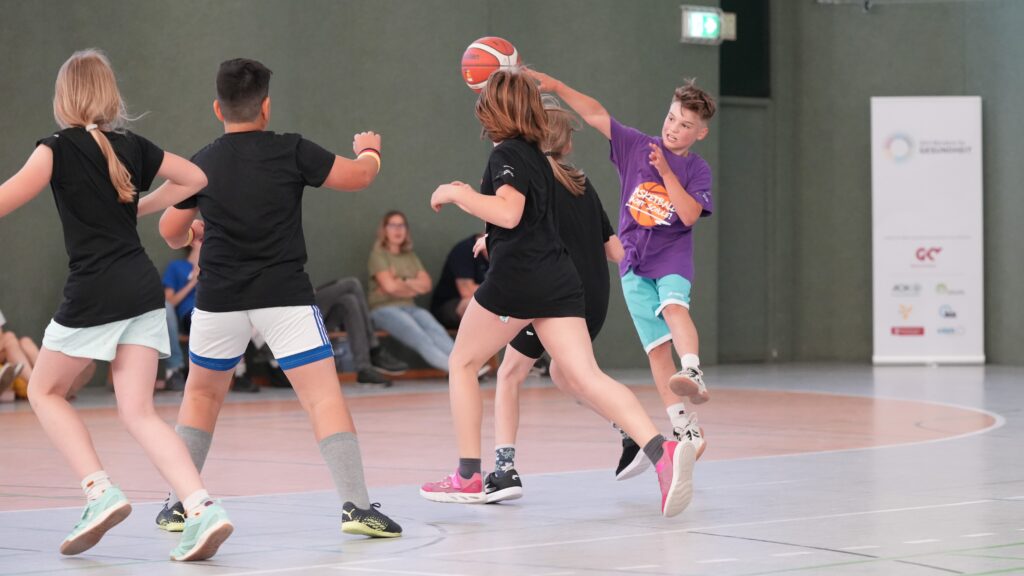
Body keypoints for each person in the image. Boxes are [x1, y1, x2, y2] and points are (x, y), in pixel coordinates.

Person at [421, 67, 695, 518]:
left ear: (494, 111)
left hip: (518, 279)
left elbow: (510, 213)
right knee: (585, 377)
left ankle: (469, 474)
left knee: (463, 363)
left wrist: (459, 193)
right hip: (559, 279)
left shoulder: (508, 153)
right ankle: (660, 453)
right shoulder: (536, 156)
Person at [0, 49, 232, 561]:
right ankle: (201, 506)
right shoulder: (133, 146)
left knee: (44, 391)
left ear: (65, 97)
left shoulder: (55, 148)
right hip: (142, 289)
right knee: (140, 412)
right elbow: (195, 179)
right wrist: (140, 206)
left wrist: (136, 206)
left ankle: (99, 491)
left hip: (96, 289)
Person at [155, 58, 401, 538]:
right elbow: (359, 177)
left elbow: (169, 232)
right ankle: (356, 507)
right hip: (284, 296)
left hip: (219, 298)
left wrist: (196, 223)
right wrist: (370, 151)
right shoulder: (292, 150)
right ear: (266, 107)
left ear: (216, 108)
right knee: (323, 398)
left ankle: (179, 505)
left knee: (201, 396)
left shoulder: (201, 161)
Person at [528, 69, 715, 479]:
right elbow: (596, 115)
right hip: (634, 264)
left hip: (671, 258)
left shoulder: (697, 170)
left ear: (699, 133)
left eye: (685, 126)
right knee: (654, 349)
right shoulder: (636, 145)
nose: (674, 129)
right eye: (671, 119)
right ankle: (687, 429)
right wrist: (559, 87)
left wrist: (666, 173)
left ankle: (693, 368)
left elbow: (687, 215)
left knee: (674, 308)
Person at [483, 98, 624, 503]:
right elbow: (615, 252)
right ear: (567, 145)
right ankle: (632, 433)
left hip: (554, 297)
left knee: (509, 372)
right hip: (594, 302)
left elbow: (522, 233)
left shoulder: (534, 179)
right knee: (567, 374)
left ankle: (504, 469)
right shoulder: (581, 182)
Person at [367, 210, 455, 372]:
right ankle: (456, 371)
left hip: (410, 307)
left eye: (401, 225)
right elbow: (389, 287)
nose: (398, 230)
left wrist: (402, 281)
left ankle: (464, 365)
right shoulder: (378, 254)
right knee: (419, 336)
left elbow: (426, 285)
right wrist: (412, 287)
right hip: (383, 309)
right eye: (393, 225)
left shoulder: (410, 256)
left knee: (436, 330)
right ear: (384, 229)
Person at [315, 276, 408, 385]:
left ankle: (363, 369)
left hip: (316, 308)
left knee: (349, 300)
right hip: (301, 312)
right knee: (352, 283)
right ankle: (374, 348)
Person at [160, 242, 200, 390]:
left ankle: (241, 374)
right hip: (189, 315)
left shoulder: (215, 268)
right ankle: (175, 370)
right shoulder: (177, 266)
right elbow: (170, 301)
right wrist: (193, 282)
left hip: (214, 312)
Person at [430, 232, 489, 330]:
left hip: (490, 304)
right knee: (474, 305)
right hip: (450, 306)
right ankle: (474, 343)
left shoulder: (507, 254)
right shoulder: (465, 249)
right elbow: (467, 292)